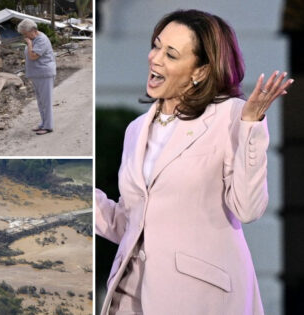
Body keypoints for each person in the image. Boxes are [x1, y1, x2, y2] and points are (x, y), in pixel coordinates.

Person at [96, 9, 294, 315]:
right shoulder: (136, 129)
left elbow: (248, 208)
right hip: (130, 296)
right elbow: (130, 224)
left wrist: (252, 125)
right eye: (156, 45)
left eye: (171, 54)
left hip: (199, 299)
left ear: (199, 71)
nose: (155, 58)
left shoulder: (231, 116)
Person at [17, 19, 56, 135]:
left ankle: (48, 126)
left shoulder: (41, 40)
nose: (24, 36)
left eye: (25, 33)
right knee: (40, 101)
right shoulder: (34, 39)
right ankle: (43, 123)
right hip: (37, 74)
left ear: (33, 31)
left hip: (44, 74)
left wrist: (29, 44)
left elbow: (33, 56)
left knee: (46, 101)